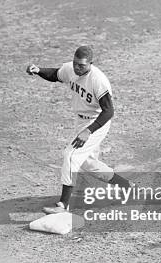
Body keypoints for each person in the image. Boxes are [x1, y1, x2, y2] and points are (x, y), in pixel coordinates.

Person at [27, 45, 132, 214]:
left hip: (97, 123)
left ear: (91, 63)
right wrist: (39, 70)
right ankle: (126, 185)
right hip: (81, 122)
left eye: (82, 65)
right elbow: (56, 75)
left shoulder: (98, 80)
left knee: (71, 155)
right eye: (76, 63)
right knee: (87, 163)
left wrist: (89, 131)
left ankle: (63, 205)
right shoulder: (71, 69)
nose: (77, 67)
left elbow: (109, 111)